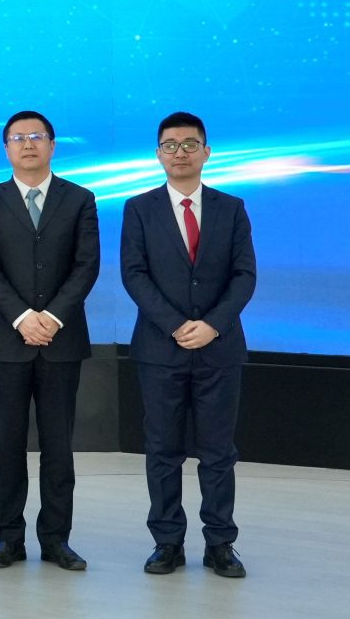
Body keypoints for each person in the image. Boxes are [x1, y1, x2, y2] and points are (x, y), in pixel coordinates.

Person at [121, 111, 256, 579]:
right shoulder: (139, 209)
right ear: (158, 154)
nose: (180, 153)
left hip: (219, 349)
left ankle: (220, 544)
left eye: (189, 144)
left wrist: (212, 325)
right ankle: (167, 542)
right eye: (170, 145)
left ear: (206, 152)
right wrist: (177, 325)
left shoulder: (231, 208)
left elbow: (244, 275)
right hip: (160, 349)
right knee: (163, 450)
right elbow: (134, 274)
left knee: (218, 452)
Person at [0, 110, 100, 571]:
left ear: (52, 145)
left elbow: (86, 265)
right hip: (7, 340)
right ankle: (8, 539)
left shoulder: (80, 199)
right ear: (6, 148)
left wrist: (53, 317)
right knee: (7, 444)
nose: (28, 144)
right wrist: (23, 317)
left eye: (37, 136)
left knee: (58, 446)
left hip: (62, 340)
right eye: (18, 138)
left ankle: (56, 540)